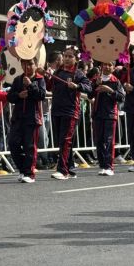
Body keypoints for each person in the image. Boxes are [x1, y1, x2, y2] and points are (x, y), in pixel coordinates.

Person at [49, 47, 92, 180]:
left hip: (70, 111)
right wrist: (44, 75)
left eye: (70, 56)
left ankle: (63, 170)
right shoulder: (58, 71)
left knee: (65, 140)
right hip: (56, 109)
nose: (67, 59)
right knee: (63, 141)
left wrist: (77, 86)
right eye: (65, 56)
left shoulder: (78, 74)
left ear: (76, 59)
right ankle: (71, 167)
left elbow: (89, 87)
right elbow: (50, 87)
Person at [7, 56, 46, 183]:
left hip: (32, 118)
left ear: (35, 64)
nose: (27, 67)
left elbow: (41, 95)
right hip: (18, 118)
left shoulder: (40, 79)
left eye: (30, 64)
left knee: (30, 146)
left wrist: (31, 85)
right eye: (24, 64)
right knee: (13, 143)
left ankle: (29, 173)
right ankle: (22, 169)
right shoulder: (18, 79)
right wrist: (18, 95)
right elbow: (10, 97)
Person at [92, 60, 125, 175]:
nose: (106, 66)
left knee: (109, 140)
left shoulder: (116, 81)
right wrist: (96, 84)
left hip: (110, 114)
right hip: (97, 114)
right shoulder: (96, 78)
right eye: (104, 64)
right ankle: (102, 165)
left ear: (114, 67)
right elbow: (90, 93)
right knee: (99, 140)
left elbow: (121, 97)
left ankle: (109, 166)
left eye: (109, 64)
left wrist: (109, 90)